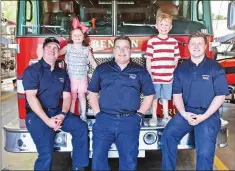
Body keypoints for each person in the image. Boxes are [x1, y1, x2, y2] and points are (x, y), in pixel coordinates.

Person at [161, 32, 229, 170]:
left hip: (208, 115)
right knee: (167, 136)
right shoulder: (181, 69)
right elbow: (177, 95)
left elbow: (221, 96)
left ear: (205, 46)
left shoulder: (215, 68)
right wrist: (184, 114)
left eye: (200, 43)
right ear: (188, 46)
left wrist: (204, 116)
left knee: (204, 152)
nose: (196, 47)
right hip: (186, 113)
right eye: (193, 43)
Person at [88, 35, 155, 170]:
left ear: (130, 50)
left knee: (129, 161)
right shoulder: (102, 69)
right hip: (104, 121)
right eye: (118, 47)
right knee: (98, 160)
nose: (122, 51)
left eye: (126, 48)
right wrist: (98, 114)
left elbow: (149, 95)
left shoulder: (140, 71)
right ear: (113, 50)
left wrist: (139, 115)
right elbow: (92, 93)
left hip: (129, 121)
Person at [23, 37, 89, 170]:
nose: (52, 51)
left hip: (57, 113)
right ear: (43, 50)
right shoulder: (32, 70)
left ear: (59, 52)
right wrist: (47, 120)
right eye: (49, 47)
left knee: (81, 127)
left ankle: (78, 167)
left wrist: (63, 115)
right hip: (37, 116)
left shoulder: (62, 73)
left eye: (55, 48)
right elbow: (31, 97)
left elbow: (67, 97)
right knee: (46, 153)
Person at [145, 13, 180, 125]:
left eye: (166, 25)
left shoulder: (174, 42)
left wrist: (172, 72)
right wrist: (150, 74)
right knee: (154, 98)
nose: (164, 27)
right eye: (161, 24)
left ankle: (165, 115)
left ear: (170, 27)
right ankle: (154, 116)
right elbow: (148, 59)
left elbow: (176, 59)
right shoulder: (152, 42)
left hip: (168, 77)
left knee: (165, 97)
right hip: (155, 76)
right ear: (156, 26)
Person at [59, 17, 97, 121]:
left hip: (82, 78)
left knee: (82, 96)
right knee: (72, 97)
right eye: (75, 35)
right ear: (71, 37)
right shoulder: (68, 47)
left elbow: (93, 62)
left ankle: (83, 115)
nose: (77, 37)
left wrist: (99, 72)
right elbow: (57, 54)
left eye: (80, 35)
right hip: (71, 78)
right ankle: (71, 115)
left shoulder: (86, 50)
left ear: (83, 37)